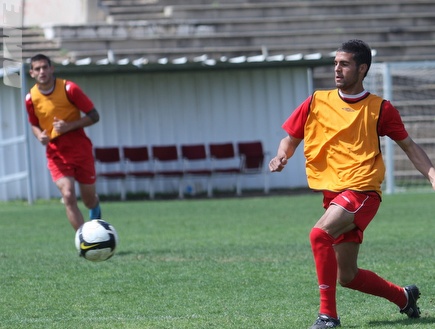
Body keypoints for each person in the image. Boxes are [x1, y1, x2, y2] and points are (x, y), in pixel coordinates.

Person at [269, 39, 435, 329]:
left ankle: (327, 316)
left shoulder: (380, 108)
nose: (337, 69)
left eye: (344, 64)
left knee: (319, 235)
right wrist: (282, 155)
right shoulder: (316, 102)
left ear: (362, 69)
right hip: (334, 195)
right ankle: (404, 297)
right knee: (348, 276)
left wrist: (431, 173)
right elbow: (290, 139)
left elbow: (408, 146)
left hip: (362, 192)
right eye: (335, 63)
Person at [25, 54, 102, 232]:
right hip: (56, 152)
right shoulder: (30, 98)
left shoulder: (69, 88)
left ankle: (95, 209)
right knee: (68, 195)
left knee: (89, 200)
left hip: (80, 149)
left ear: (52, 69)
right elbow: (34, 124)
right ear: (31, 73)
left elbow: (94, 116)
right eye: (37, 69)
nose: (42, 71)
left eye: (45, 67)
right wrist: (39, 136)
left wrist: (69, 126)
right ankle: (84, 240)